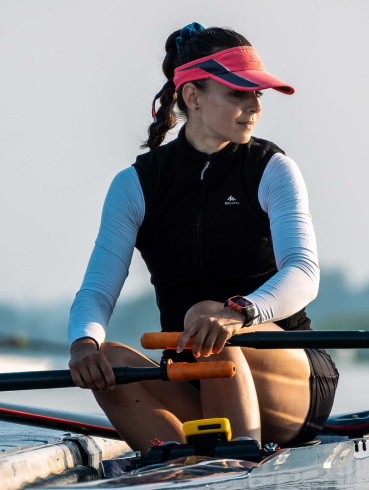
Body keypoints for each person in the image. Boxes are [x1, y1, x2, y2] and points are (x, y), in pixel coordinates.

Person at [67, 23, 338, 453]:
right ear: (193, 97)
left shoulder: (271, 169)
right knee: (111, 358)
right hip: (193, 373)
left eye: (257, 94)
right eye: (238, 93)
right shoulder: (135, 185)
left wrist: (237, 314)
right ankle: (177, 463)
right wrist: (83, 344)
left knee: (207, 321)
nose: (254, 106)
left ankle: (237, 464)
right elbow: (98, 290)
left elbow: (304, 274)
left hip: (290, 377)